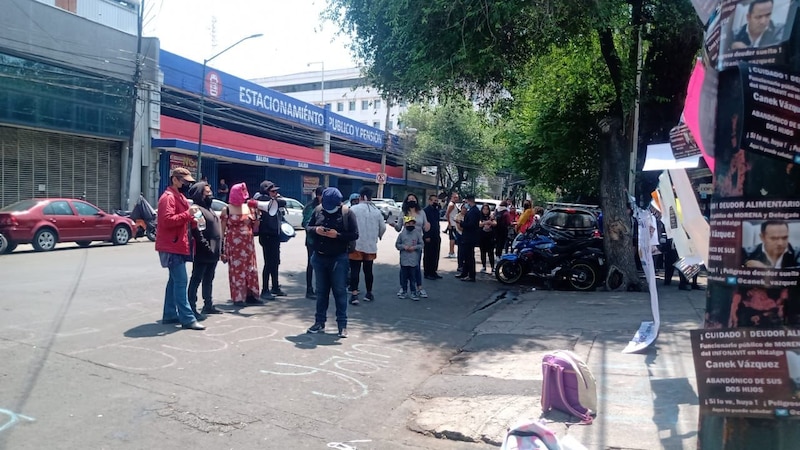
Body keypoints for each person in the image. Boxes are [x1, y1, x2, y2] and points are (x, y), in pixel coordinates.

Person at [155, 167, 205, 330]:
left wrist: (193, 218)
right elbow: (167, 221)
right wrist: (187, 214)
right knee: (181, 281)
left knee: (174, 281)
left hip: (177, 244)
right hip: (171, 245)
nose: (187, 185)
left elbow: (182, 218)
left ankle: (170, 314)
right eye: (185, 181)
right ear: (175, 180)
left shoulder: (179, 197)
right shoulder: (168, 198)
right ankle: (187, 319)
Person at [306, 187, 359, 338]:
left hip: (338, 258)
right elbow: (308, 227)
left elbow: (354, 234)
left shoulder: (347, 213)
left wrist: (337, 235)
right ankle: (319, 322)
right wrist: (316, 230)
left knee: (340, 292)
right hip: (319, 257)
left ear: (338, 203)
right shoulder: (318, 210)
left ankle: (342, 325)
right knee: (321, 292)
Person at [220, 183, 262, 306]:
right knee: (237, 270)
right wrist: (222, 250)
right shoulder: (226, 209)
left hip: (248, 244)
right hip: (234, 245)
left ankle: (251, 294)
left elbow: (255, 226)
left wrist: (258, 216)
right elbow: (222, 230)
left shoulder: (249, 208)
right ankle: (238, 297)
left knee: (250, 269)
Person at [187, 181, 223, 317]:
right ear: (199, 194)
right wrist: (206, 247)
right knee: (197, 278)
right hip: (203, 251)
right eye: (207, 193)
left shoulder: (209, 209)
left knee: (209, 279)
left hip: (214, 252)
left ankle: (208, 305)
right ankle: (191, 307)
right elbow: (198, 231)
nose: (210, 195)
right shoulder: (197, 209)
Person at [349, 187, 386, 304]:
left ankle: (354, 295)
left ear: (361, 197)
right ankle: (369, 293)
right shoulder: (377, 211)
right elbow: (383, 228)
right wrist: (378, 236)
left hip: (356, 245)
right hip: (370, 246)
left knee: (355, 270)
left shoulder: (353, 209)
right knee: (368, 270)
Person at [253, 180, 288, 301]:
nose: (275, 193)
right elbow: (283, 202)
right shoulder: (262, 200)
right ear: (266, 192)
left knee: (275, 262)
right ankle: (265, 289)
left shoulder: (271, 200)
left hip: (274, 235)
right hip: (267, 235)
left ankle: (275, 286)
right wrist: (276, 197)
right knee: (269, 263)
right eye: (273, 191)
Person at [394, 194, 430, 298]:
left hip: (417, 242)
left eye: (413, 199)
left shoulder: (421, 212)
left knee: (416, 267)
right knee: (404, 267)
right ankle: (403, 288)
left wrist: (428, 227)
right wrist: (393, 224)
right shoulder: (403, 213)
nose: (411, 200)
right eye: (409, 199)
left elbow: (426, 226)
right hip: (405, 242)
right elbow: (399, 227)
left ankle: (419, 288)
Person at [302, 187, 324, 299]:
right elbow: (305, 223)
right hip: (312, 240)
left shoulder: (327, 206)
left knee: (322, 266)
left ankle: (320, 289)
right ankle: (309, 290)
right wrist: (316, 229)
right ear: (318, 195)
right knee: (311, 265)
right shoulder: (310, 207)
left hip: (323, 240)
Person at [396, 216, 424, 300]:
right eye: (408, 223)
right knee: (404, 277)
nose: (410, 224)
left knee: (413, 277)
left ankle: (413, 292)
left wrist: (414, 248)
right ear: (405, 224)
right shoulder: (401, 234)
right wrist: (403, 247)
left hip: (413, 260)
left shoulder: (417, 234)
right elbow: (397, 244)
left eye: (412, 223)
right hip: (404, 259)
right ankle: (404, 291)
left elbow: (421, 244)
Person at [457, 194, 481, 282]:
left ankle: (471, 275)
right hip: (468, 236)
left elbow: (471, 225)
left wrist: (461, 223)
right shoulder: (472, 210)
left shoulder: (474, 211)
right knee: (466, 256)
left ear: (469, 200)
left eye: (466, 201)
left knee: (469, 257)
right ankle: (464, 273)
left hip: (470, 237)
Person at [422, 194, 443, 280]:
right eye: (434, 200)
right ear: (429, 201)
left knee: (435, 254)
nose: (435, 202)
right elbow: (424, 224)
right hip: (428, 236)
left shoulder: (436, 210)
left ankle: (434, 271)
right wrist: (426, 235)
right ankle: (427, 272)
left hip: (436, 235)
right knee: (428, 255)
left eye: (436, 201)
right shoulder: (425, 211)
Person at [478, 203, 496, 273]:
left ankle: (492, 267)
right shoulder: (480, 216)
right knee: (483, 252)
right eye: (484, 209)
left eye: (487, 209)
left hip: (490, 237)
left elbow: (494, 223)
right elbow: (479, 224)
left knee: (490, 252)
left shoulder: (491, 216)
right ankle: (484, 266)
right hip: (482, 236)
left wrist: (490, 222)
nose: (485, 210)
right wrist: (487, 222)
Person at [445, 193, 460, 258]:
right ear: (452, 197)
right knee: (452, 238)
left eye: (457, 197)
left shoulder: (454, 204)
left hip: (454, 223)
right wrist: (449, 223)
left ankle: (452, 252)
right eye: (455, 197)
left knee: (453, 238)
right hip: (453, 224)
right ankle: (451, 252)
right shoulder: (451, 205)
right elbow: (447, 214)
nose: (457, 199)